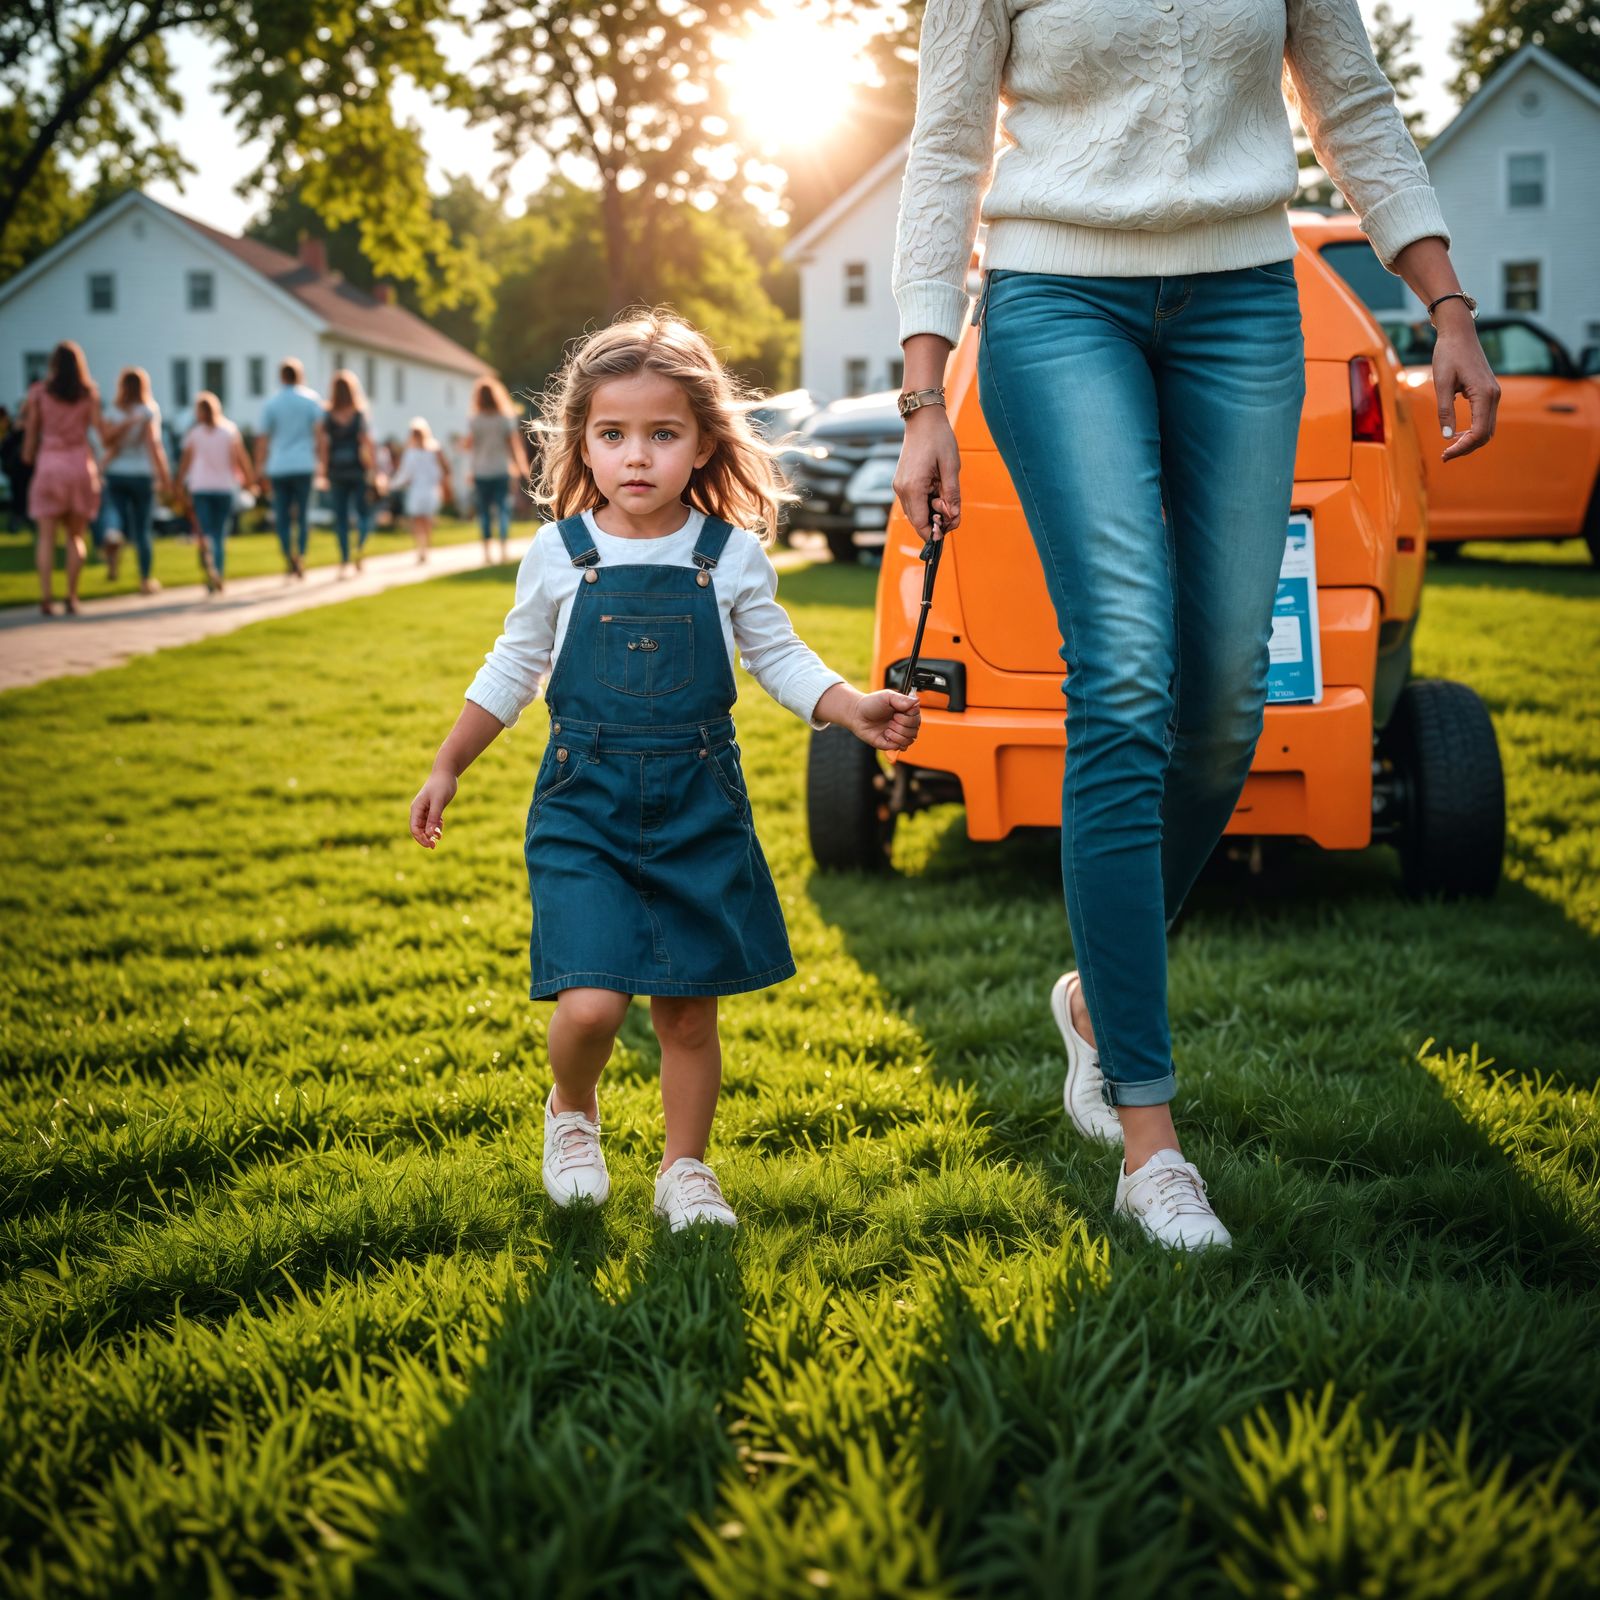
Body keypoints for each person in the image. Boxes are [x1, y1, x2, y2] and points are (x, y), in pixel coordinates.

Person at [891, 0, 1502, 1250]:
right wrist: (920, 393)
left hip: (1241, 301)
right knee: (1124, 678)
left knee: (1226, 701)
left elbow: (1353, 101)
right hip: (1056, 300)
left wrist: (1445, 307)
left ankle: (1094, 1000)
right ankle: (1149, 1141)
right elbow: (945, 150)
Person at [407, 309, 922, 1231]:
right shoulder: (561, 555)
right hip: (585, 802)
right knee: (595, 1003)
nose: (636, 455)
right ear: (583, 444)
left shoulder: (728, 556)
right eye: (613, 435)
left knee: (688, 1013)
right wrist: (449, 763)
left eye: (662, 434)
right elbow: (512, 669)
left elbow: (781, 658)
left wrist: (852, 706)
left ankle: (686, 1168)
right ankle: (572, 1111)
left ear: (701, 445)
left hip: (698, 802)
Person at [22, 341, 105, 616]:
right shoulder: (88, 394)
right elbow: (100, 430)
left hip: (50, 464)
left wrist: (27, 455)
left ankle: (46, 597)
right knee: (75, 537)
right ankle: (72, 595)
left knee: (46, 537)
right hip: (80, 465)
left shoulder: (40, 393)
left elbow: (32, 431)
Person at [100, 367, 172, 595]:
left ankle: (112, 534)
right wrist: (165, 476)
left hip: (116, 471)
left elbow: (106, 442)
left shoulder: (113, 411)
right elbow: (154, 445)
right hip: (141, 473)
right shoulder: (148, 411)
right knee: (142, 530)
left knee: (114, 512)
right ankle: (145, 579)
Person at [177, 391, 253, 593]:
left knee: (205, 532)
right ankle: (217, 571)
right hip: (224, 487)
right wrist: (249, 480)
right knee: (220, 535)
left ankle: (207, 561)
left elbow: (185, 462)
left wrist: (177, 484)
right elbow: (240, 458)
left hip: (200, 487)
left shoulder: (194, 434)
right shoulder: (229, 431)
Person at [254, 358, 322, 578]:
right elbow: (320, 435)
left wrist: (258, 468)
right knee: (302, 515)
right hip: (304, 463)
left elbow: (262, 439)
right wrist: (321, 461)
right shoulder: (311, 400)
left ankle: (287, 555)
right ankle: (300, 554)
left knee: (282, 516)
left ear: (282, 376)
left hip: (279, 465)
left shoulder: (272, 403)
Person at [316, 368, 377, 576]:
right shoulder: (359, 415)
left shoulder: (328, 415)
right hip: (357, 470)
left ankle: (344, 558)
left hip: (336, 471)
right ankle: (359, 547)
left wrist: (322, 472)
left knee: (340, 517)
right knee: (362, 513)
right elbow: (368, 444)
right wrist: (375, 469)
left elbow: (324, 446)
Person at [466, 377, 530, 565]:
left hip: (480, 471)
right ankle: (503, 550)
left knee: (484, 512)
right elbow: (514, 445)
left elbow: (471, 446)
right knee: (502, 509)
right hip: (502, 470)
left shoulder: (474, 420)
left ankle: (487, 553)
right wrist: (522, 467)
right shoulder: (505, 419)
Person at [389, 417, 453, 563]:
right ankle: (423, 548)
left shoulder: (425, 451)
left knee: (421, 520)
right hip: (425, 490)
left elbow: (405, 474)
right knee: (423, 520)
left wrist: (392, 484)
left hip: (424, 490)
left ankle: (422, 548)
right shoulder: (425, 451)